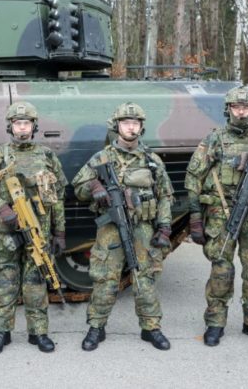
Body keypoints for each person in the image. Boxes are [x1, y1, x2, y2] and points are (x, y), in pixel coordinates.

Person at [184, 85, 248, 347]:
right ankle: (215, 323)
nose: (241, 112)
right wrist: (195, 216)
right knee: (221, 269)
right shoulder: (214, 140)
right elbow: (193, 177)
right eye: (236, 107)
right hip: (222, 212)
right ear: (228, 109)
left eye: (246, 107)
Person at [72, 102, 174, 351]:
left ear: (141, 127)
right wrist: (94, 187)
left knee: (145, 277)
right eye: (126, 123)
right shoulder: (101, 158)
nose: (131, 127)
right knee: (105, 278)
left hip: (142, 228)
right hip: (110, 228)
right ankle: (96, 327)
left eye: (135, 123)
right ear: (116, 126)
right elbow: (78, 188)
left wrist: (164, 227)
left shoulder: (151, 160)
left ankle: (151, 328)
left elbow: (165, 196)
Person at [0, 101, 67, 354]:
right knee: (6, 281)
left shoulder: (47, 156)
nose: (22, 127)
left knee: (36, 281)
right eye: (18, 123)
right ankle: (1, 333)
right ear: (10, 126)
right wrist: (2, 208)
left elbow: (58, 196)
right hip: (7, 233)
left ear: (33, 126)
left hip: (40, 232)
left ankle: (38, 333)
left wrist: (59, 232)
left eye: (26, 123)